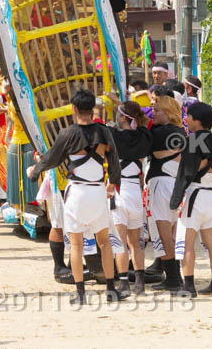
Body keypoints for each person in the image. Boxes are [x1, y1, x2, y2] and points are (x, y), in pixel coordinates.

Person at [28, 88, 126, 305]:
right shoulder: (104, 132)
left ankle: (81, 293)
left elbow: (52, 159)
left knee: (76, 244)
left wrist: (34, 173)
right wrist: (113, 183)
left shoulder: (68, 133)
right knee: (104, 243)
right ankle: (111, 289)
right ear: (92, 109)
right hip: (97, 191)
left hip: (77, 192)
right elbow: (114, 160)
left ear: (73, 108)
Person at [170, 101, 212, 297]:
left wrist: (175, 200)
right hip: (211, 195)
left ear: (197, 121)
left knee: (187, 242)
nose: (186, 119)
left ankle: (189, 286)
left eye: (188, 116)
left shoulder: (192, 141)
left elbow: (185, 173)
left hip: (195, 196)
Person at [109, 100, 152, 295]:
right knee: (136, 243)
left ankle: (124, 283)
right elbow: (145, 124)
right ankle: (140, 283)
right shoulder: (144, 136)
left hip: (120, 190)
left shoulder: (114, 135)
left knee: (120, 242)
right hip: (136, 191)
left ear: (123, 118)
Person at [145, 95, 186, 291]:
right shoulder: (181, 131)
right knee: (172, 233)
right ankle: (175, 276)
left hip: (160, 183)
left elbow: (148, 150)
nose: (153, 113)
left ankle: (173, 278)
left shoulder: (158, 132)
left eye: (157, 110)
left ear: (168, 113)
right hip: (176, 184)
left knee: (164, 234)